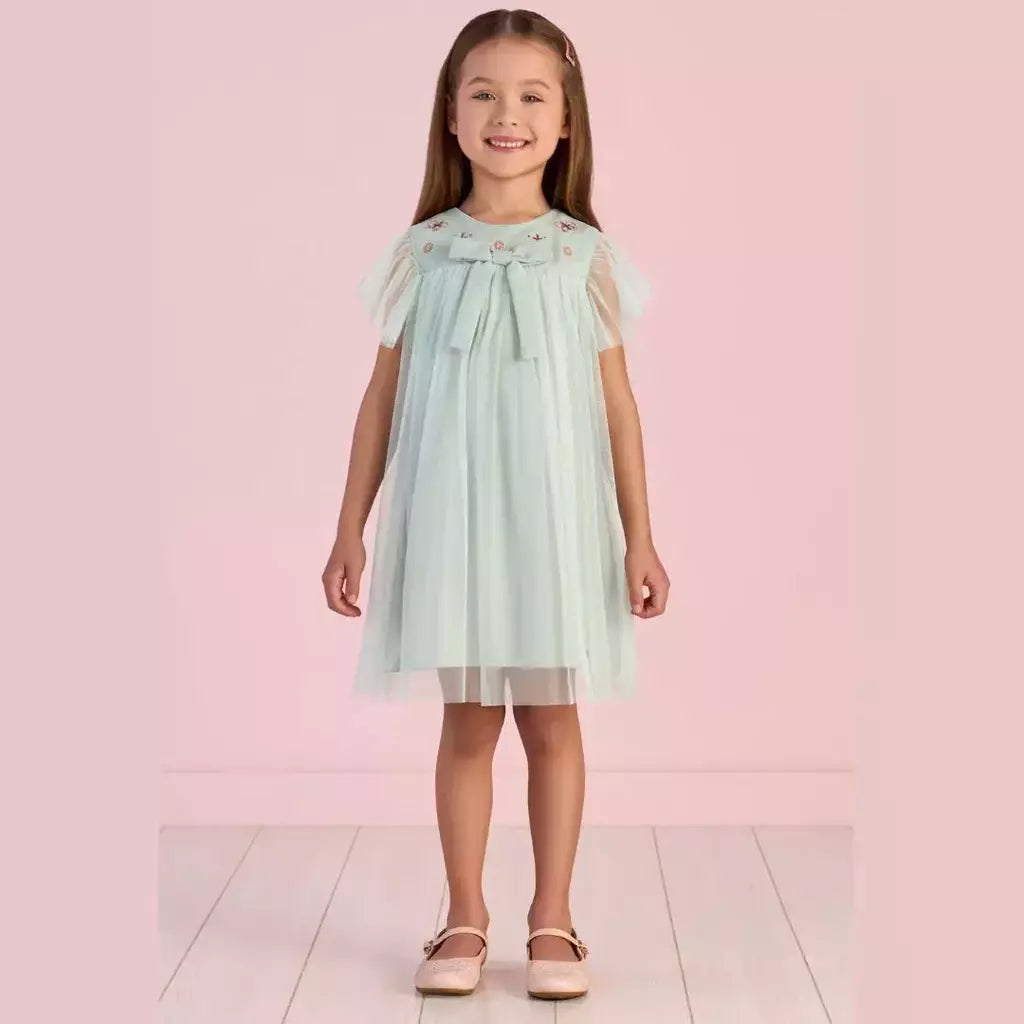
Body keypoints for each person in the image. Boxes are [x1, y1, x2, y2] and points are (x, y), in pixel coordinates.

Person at [322, 8, 669, 1002]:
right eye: (482, 93)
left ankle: (552, 918)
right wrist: (349, 525)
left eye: (530, 96)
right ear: (450, 114)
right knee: (468, 720)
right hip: (456, 519)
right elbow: (382, 396)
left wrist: (640, 537)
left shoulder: (582, 256)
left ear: (565, 121)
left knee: (553, 716)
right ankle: (464, 914)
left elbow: (617, 405)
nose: (505, 114)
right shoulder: (425, 252)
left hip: (555, 523)